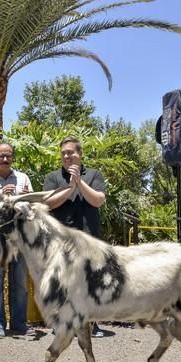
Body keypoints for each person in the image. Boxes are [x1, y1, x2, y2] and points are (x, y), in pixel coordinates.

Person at [43, 136, 107, 338]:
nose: (66, 156)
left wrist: (79, 182)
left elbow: (97, 201)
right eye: (63, 153)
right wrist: (70, 187)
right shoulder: (53, 177)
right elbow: (49, 204)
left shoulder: (94, 175)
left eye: (71, 152)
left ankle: (91, 323)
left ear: (80, 154)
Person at [0, 142, 35, 339]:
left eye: (8, 155)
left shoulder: (23, 178)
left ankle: (19, 322)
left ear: (13, 157)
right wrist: (2, 196)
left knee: (20, 283)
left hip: (19, 237)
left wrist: (27, 197)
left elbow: (32, 204)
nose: (4, 158)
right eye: (1, 155)